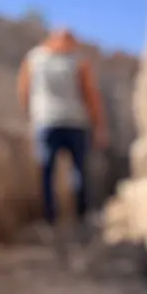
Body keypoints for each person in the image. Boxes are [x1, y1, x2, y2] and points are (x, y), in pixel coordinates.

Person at [17, 28, 109, 237]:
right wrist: (99, 126)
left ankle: (57, 218)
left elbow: (23, 89)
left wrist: (31, 114)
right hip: (69, 122)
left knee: (52, 170)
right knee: (72, 170)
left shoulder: (34, 58)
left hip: (49, 121)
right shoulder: (76, 61)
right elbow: (91, 95)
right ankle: (76, 218)